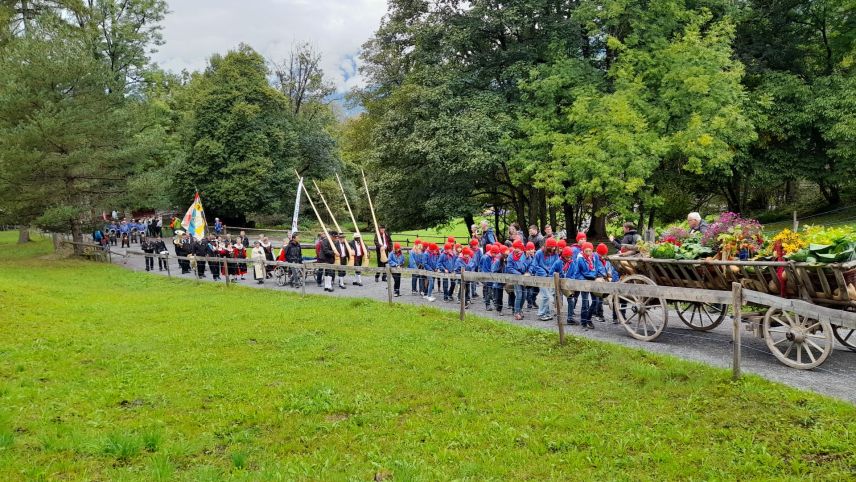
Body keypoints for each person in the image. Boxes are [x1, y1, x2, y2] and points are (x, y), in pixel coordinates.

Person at [574, 242, 604, 329]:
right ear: (583, 251)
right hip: (584, 282)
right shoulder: (580, 259)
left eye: (590, 251)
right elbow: (577, 274)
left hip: (594, 281)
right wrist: (587, 279)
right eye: (586, 251)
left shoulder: (595, 257)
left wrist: (601, 276)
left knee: (595, 301)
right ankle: (583, 322)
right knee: (585, 303)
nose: (588, 253)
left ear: (592, 250)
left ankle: (588, 319)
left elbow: (598, 268)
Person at [532, 238, 559, 321]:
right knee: (545, 296)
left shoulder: (555, 254)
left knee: (548, 295)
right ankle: (541, 313)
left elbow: (556, 265)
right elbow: (535, 265)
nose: (553, 248)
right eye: (552, 247)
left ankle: (547, 312)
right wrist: (544, 273)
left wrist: (553, 273)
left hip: (550, 277)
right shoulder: (539, 253)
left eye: (554, 247)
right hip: (541, 276)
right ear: (547, 246)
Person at [595, 243, 621, 323]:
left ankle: (615, 317)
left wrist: (611, 278)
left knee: (614, 298)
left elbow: (610, 270)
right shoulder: (595, 258)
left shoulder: (607, 260)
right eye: (601, 254)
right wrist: (604, 275)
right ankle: (599, 315)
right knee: (599, 298)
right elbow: (596, 269)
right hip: (599, 279)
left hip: (609, 279)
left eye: (604, 254)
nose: (603, 256)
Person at [506, 240, 529, 320]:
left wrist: (527, 272)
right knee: (519, 294)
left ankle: (520, 309)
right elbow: (509, 268)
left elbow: (528, 263)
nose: (517, 249)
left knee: (524, 295)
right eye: (516, 248)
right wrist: (518, 273)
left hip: (524, 277)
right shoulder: (510, 256)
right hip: (516, 277)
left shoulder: (524, 255)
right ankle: (516, 312)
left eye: (519, 248)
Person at [480, 244, 496, 310]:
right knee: (488, 291)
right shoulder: (486, 258)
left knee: (490, 290)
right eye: (495, 253)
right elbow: (485, 269)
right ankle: (487, 304)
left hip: (491, 276)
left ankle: (493, 302)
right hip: (487, 277)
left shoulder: (491, 257)